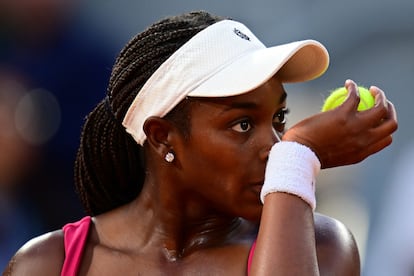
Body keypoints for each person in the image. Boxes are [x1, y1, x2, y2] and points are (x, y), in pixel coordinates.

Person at [3, 11, 397, 275]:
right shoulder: (47, 264)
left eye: (279, 120)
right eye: (242, 124)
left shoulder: (322, 246)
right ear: (161, 137)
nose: (275, 145)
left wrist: (297, 156)